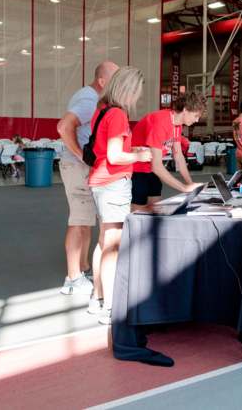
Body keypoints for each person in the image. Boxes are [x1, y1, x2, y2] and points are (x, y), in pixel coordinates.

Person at [86, 67, 152, 323]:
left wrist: (129, 149)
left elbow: (106, 150)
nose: (137, 99)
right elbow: (115, 156)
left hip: (100, 181)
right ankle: (112, 307)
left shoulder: (100, 111)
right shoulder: (118, 115)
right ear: (129, 90)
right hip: (114, 184)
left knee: (103, 242)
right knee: (113, 246)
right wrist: (139, 155)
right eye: (137, 93)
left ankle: (97, 297)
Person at [56, 61, 119, 296]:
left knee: (86, 220)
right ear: (102, 81)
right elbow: (64, 127)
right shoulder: (88, 99)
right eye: (114, 80)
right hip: (77, 166)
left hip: (82, 167)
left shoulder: (93, 99)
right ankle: (72, 279)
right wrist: (81, 156)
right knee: (78, 220)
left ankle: (81, 268)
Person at [131, 92, 207, 211]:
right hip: (137, 169)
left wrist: (190, 184)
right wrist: (183, 187)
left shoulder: (177, 124)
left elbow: (179, 156)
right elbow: (156, 166)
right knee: (138, 213)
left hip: (151, 169)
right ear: (185, 110)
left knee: (156, 210)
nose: (197, 120)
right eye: (196, 115)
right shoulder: (160, 122)